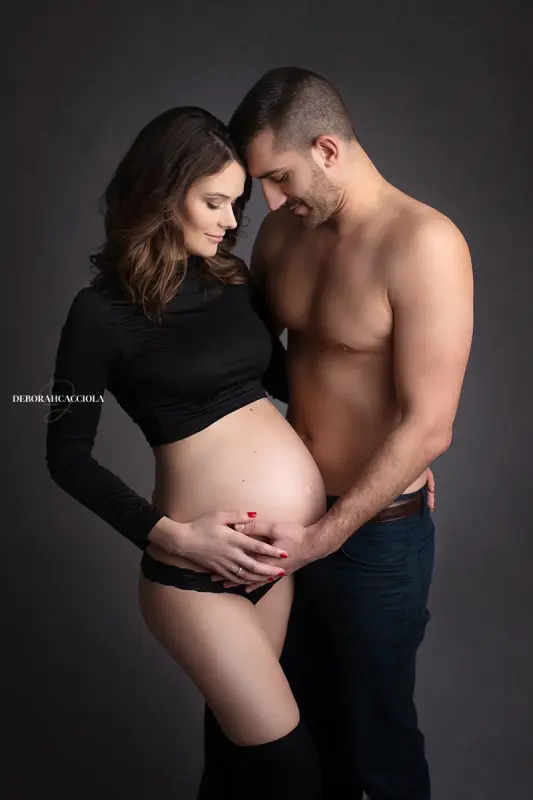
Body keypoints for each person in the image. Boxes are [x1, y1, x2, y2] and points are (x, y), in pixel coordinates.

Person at [201, 67, 474, 800]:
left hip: (371, 540)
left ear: (327, 149)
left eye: (280, 177)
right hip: (275, 524)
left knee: (374, 752)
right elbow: (249, 364)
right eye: (260, 183)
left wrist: (326, 535)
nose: (271, 201)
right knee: (270, 747)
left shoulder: (424, 244)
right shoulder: (284, 240)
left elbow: (428, 426)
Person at [45, 106, 328, 799]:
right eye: (213, 201)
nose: (231, 221)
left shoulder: (231, 282)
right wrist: (177, 537)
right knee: (288, 769)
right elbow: (66, 454)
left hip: (272, 560)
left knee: (238, 763)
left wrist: (403, 455)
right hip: (195, 570)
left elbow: (294, 389)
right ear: (162, 189)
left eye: (235, 203)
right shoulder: (99, 314)